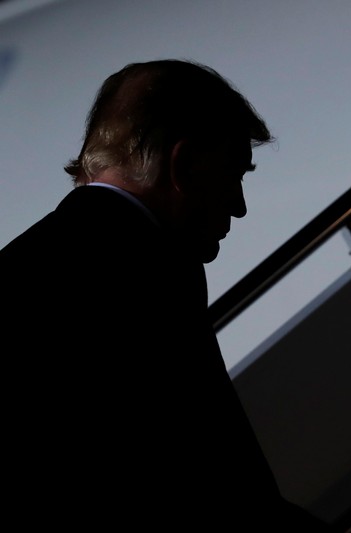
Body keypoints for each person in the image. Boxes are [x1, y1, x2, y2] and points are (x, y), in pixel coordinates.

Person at [0, 59, 328, 529]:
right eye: (233, 173)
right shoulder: (146, 275)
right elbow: (210, 487)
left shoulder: (41, 260)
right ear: (184, 164)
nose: (238, 206)